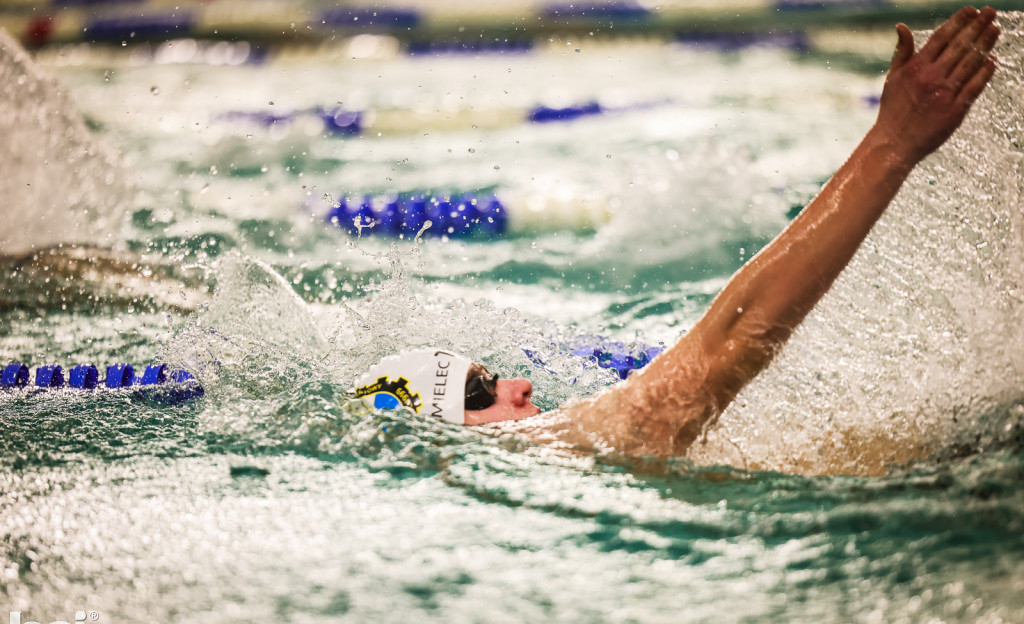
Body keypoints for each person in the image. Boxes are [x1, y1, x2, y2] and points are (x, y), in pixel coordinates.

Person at [355, 6, 1001, 459]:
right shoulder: (544, 446)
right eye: (480, 392)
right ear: (444, 440)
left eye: (491, 375)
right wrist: (893, 143)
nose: (517, 384)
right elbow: (724, 349)